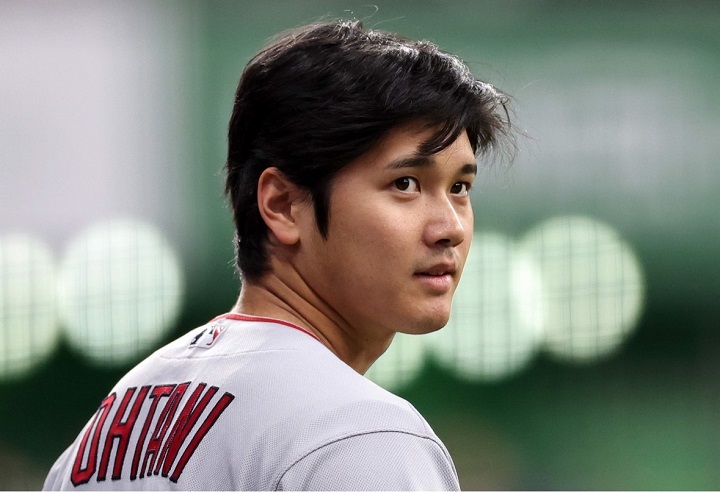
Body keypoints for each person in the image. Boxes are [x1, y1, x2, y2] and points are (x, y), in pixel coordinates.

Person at [44, 19, 512, 490]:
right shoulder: (358, 437)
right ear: (284, 205)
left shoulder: (102, 435)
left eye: (459, 188)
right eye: (405, 183)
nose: (450, 228)